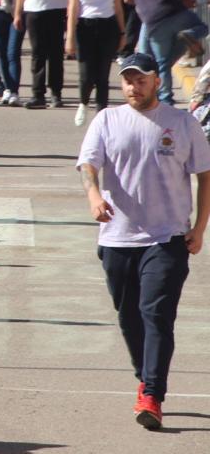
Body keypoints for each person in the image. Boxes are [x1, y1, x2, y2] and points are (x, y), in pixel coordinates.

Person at [77, 53, 210, 431]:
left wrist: (199, 227)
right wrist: (93, 197)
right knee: (129, 316)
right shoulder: (107, 120)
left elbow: (205, 175)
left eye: (140, 79)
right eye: (127, 81)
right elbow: (88, 165)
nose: (133, 87)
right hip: (117, 238)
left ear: (155, 81)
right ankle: (145, 373)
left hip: (167, 238)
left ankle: (152, 393)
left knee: (156, 314)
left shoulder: (182, 123)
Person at [128, 0, 210, 105]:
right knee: (202, 27)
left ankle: (165, 101)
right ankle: (190, 35)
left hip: (152, 21)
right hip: (173, 12)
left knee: (162, 62)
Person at [65, 0, 126, 126]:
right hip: (85, 26)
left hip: (108, 26)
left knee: (103, 73)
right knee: (86, 73)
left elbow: (118, 7)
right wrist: (69, 37)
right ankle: (83, 103)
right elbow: (73, 8)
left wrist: (122, 32)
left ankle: (101, 112)